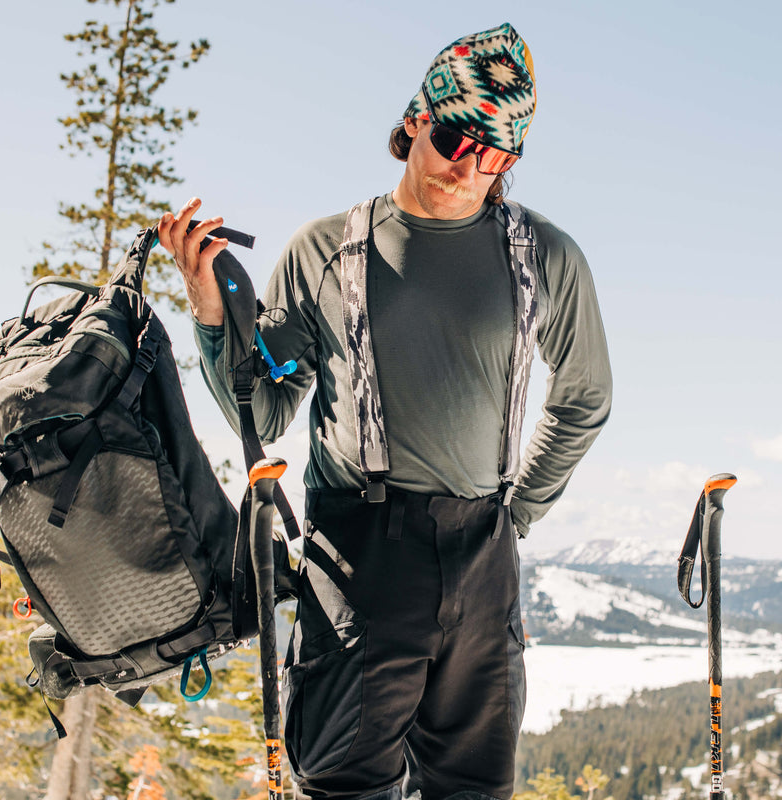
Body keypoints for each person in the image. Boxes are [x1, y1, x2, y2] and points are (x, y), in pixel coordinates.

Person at [159, 22, 612, 800]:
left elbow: (584, 398)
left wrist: (519, 512)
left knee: (472, 787)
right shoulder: (323, 251)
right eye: (457, 139)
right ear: (414, 121)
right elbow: (261, 410)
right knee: (343, 784)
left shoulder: (542, 254)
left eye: (498, 156)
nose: (471, 168)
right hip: (360, 552)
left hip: (484, 561)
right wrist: (209, 314)